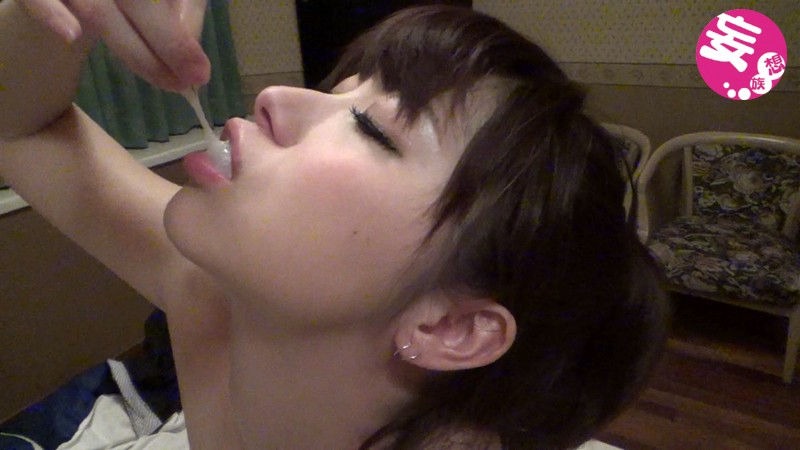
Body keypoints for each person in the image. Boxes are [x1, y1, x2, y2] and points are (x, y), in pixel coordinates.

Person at [0, 1, 668, 449]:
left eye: (372, 128)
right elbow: (22, 129)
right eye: (337, 90)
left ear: (449, 326)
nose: (273, 98)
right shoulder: (206, 300)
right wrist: (58, 20)